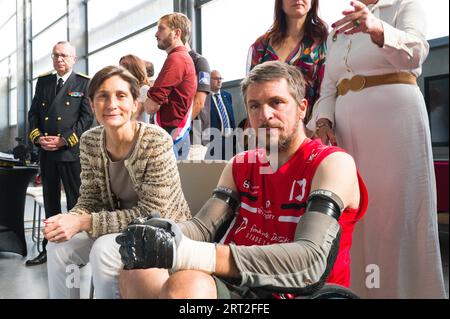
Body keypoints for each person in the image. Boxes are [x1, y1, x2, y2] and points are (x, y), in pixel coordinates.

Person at [116, 61, 368, 299]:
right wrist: (162, 232)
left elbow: (311, 260)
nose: (265, 114)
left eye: (277, 102)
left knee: (187, 286)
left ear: (302, 108)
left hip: (299, 291)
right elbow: (203, 229)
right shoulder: (241, 163)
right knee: (137, 271)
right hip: (240, 286)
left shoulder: (332, 163)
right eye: (254, 105)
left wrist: (196, 255)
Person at [307, 0, 446, 299]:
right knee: (358, 216)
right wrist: (323, 121)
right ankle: (361, 292)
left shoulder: (405, 5)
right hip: (348, 131)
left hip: (395, 123)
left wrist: (376, 29)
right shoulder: (338, 30)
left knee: (397, 214)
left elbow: (417, 52)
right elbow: (329, 87)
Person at [44, 65, 191, 299]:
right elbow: (90, 198)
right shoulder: (90, 140)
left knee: (104, 249)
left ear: (135, 104)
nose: (111, 104)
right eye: (102, 96)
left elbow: (155, 213)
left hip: (163, 229)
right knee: (58, 246)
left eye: (121, 96)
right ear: (92, 105)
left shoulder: (155, 140)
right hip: (112, 226)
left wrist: (84, 221)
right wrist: (70, 219)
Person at [26, 41, 94, 266]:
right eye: (55, 55)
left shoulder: (83, 83)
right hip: (47, 153)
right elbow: (34, 113)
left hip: (70, 154)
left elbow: (86, 119)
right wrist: (37, 137)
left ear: (73, 59)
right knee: (51, 202)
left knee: (75, 203)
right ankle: (49, 248)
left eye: (64, 56)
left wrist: (65, 140)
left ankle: (76, 252)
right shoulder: (44, 81)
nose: (59, 60)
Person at [247, 0, 328, 124]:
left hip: (308, 129)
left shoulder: (324, 43)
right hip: (267, 126)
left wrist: (315, 127)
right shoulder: (261, 46)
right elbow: (251, 92)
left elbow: (327, 91)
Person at [145, 13, 197, 160]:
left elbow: (150, 106)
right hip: (174, 135)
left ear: (176, 33)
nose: (156, 34)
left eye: (161, 29)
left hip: (170, 136)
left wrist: (145, 93)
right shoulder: (182, 58)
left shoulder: (176, 59)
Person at [202, 70, 237, 160]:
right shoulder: (204, 97)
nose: (219, 81)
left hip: (229, 141)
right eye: (216, 79)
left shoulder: (227, 95)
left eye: (220, 78)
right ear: (209, 80)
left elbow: (231, 118)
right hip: (214, 142)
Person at [119, 54, 151, 123]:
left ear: (135, 68)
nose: (120, 71)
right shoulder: (125, 89)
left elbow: (135, 115)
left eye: (125, 67)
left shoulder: (144, 89)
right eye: (120, 67)